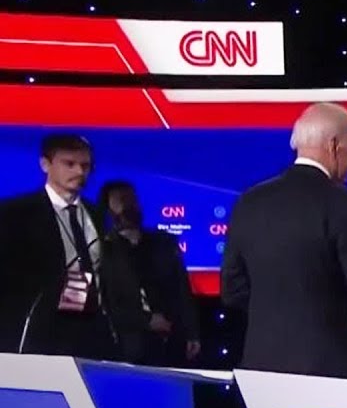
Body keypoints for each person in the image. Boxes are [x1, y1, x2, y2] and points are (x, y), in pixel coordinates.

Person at [220, 102, 347, 379]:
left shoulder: (249, 201)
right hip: (326, 371)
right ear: (333, 145)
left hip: (260, 368)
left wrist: (276, 314)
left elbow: (232, 290)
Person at [0, 134, 151, 360]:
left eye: (85, 166)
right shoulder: (16, 213)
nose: (80, 172)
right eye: (69, 164)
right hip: (38, 331)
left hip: (93, 329)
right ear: (45, 164)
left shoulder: (98, 215)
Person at [100, 180, 202, 367]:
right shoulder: (101, 251)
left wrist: (192, 332)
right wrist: (146, 320)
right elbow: (105, 303)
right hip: (125, 347)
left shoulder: (164, 243)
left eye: (132, 199)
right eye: (121, 200)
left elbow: (181, 290)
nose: (129, 206)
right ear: (107, 209)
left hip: (171, 344)